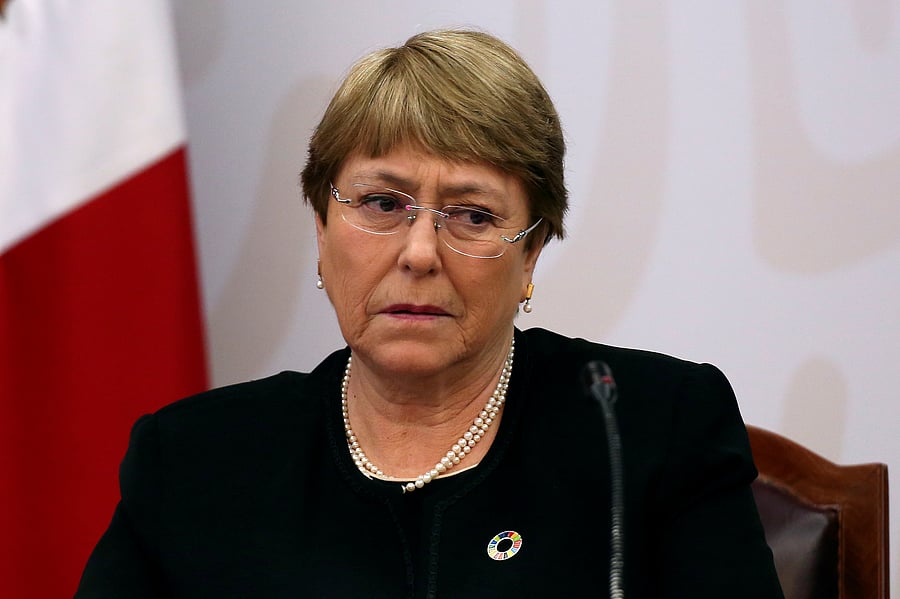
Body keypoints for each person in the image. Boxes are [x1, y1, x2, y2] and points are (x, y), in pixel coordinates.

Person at [76, 29, 784, 598]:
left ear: (530, 254)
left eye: (472, 215)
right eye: (383, 203)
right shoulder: (197, 460)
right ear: (322, 231)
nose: (419, 251)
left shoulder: (651, 429)